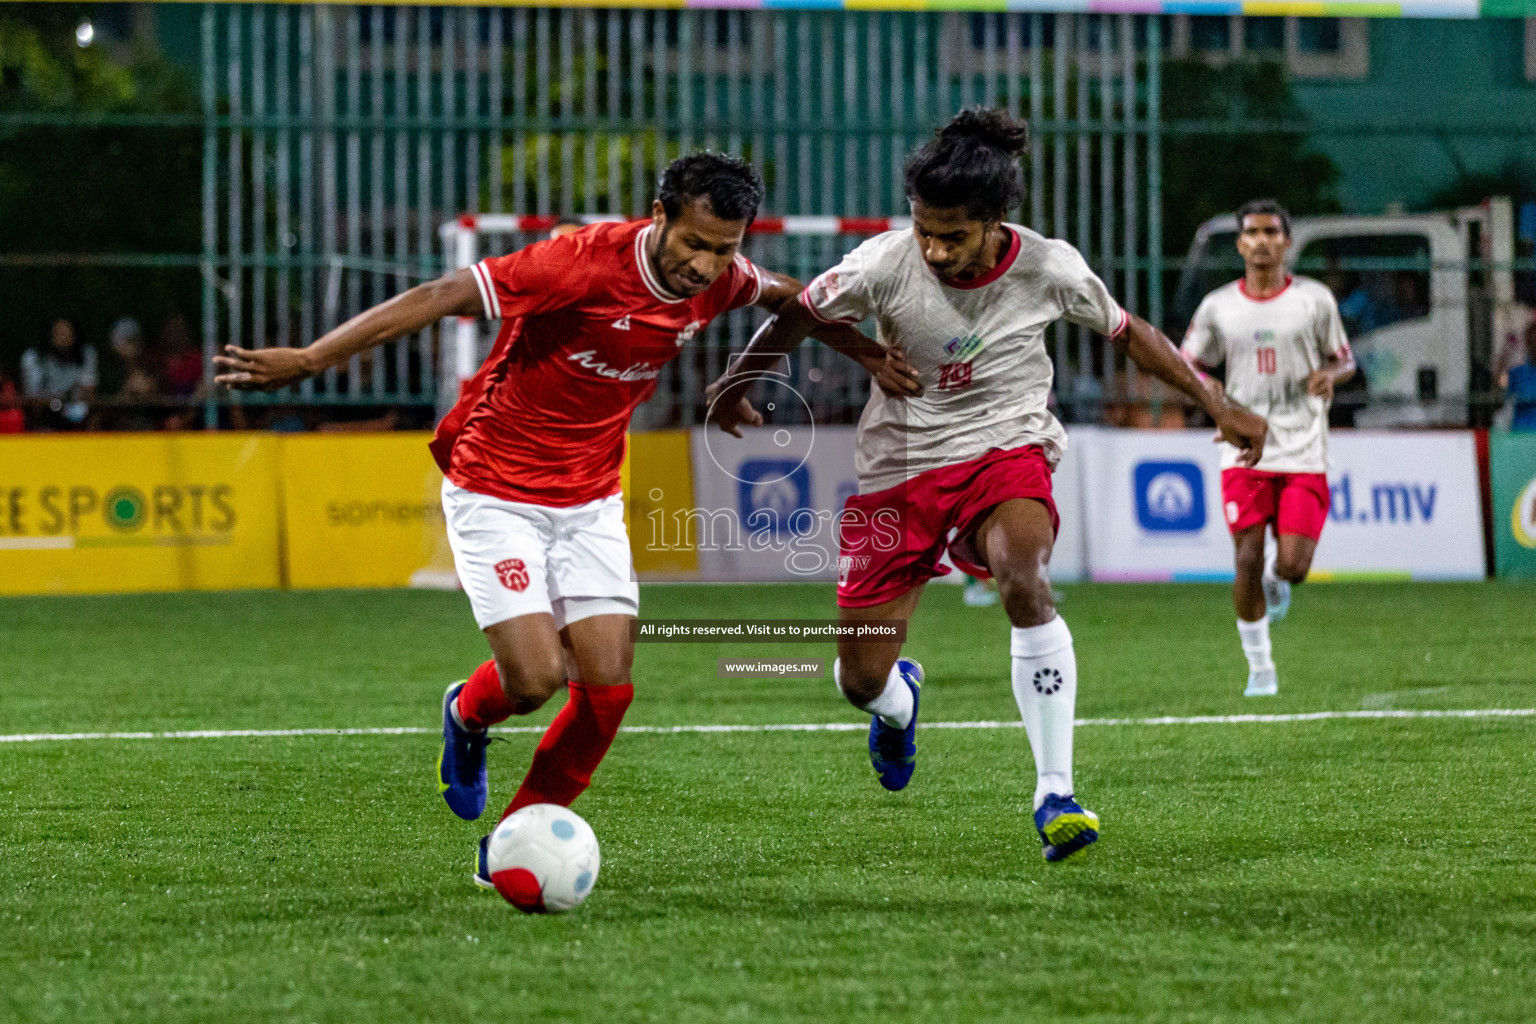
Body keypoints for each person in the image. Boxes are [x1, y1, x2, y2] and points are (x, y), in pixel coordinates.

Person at [215, 153, 901, 896]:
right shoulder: (579, 263)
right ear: (659, 213)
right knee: (537, 678)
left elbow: (798, 299)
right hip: (495, 488)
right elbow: (444, 293)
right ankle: (468, 715)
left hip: (591, 500)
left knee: (608, 690)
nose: (706, 266)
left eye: (724, 249)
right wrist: (315, 358)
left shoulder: (724, 279)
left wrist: (857, 354)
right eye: (694, 243)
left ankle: (512, 841)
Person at [706, 109, 1268, 863]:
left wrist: (1219, 404)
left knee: (1023, 578)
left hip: (1006, 447)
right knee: (860, 680)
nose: (934, 249)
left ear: (997, 220)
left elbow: (1132, 334)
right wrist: (742, 379)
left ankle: (1056, 793)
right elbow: (800, 313)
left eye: (953, 235)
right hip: (899, 468)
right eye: (924, 230)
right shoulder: (883, 263)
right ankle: (900, 706)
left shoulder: (1051, 268)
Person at [1181, 199, 1356, 697]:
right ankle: (1261, 668)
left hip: (1302, 444)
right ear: (1240, 244)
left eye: (1270, 232)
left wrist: (1330, 374)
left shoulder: (1314, 300)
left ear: (1286, 241)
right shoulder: (1218, 306)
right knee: (1247, 557)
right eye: (1252, 233)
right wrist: (1217, 406)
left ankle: (1280, 584)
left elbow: (1345, 358)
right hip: (1242, 446)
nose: (1261, 240)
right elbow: (1188, 363)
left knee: (1294, 567)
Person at [20, 318, 98, 430]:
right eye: (59, 333)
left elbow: (89, 392)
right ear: (50, 336)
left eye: (67, 333)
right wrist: (52, 399)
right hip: (44, 417)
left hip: (76, 416)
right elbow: (32, 397)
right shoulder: (34, 356)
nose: (63, 338)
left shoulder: (86, 353)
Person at [1503, 319, 1536, 432]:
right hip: (1521, 432)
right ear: (1527, 343)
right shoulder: (1516, 372)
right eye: (1532, 342)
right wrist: (1504, 357)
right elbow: (1500, 393)